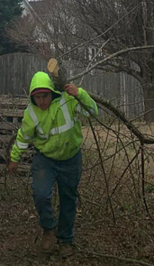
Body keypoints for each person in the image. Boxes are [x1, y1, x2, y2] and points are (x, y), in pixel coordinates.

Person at [7, 71, 98, 255]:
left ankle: (66, 239)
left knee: (68, 198)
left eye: (45, 96)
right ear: (33, 97)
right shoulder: (31, 113)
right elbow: (23, 137)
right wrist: (14, 158)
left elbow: (92, 112)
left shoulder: (68, 100)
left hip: (71, 159)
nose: (42, 101)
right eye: (38, 97)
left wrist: (80, 93)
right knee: (41, 194)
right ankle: (49, 229)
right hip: (45, 160)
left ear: (52, 93)